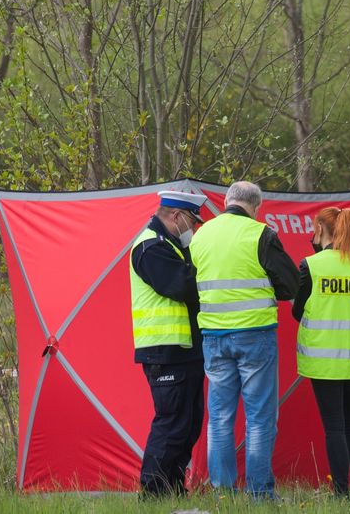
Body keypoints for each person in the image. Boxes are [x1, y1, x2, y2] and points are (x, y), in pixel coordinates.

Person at [189, 181, 299, 499]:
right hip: (255, 336)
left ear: (226, 201)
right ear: (256, 207)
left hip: (213, 337)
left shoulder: (202, 235)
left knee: (220, 416)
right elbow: (290, 284)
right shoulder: (261, 234)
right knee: (260, 418)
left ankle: (223, 491)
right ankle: (260, 493)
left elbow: (190, 282)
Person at [291, 207, 350, 499]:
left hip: (325, 362)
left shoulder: (312, 265)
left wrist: (315, 251)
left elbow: (297, 310)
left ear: (320, 230)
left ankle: (342, 493)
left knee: (335, 428)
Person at [129, 190, 208, 497]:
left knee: (188, 425)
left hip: (184, 351)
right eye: (192, 221)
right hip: (165, 351)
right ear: (176, 217)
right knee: (172, 424)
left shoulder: (172, 246)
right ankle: (152, 493)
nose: (194, 229)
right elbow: (182, 286)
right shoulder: (150, 247)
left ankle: (172, 488)